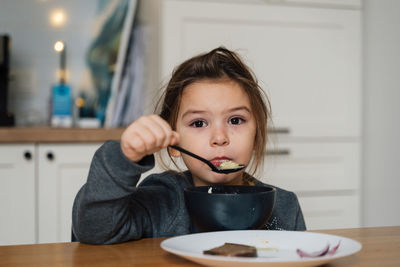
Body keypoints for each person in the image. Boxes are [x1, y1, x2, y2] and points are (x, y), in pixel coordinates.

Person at [72, 47, 306, 244]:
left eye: (235, 120)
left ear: (256, 135)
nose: (219, 137)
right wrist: (124, 157)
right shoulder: (162, 200)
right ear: (173, 142)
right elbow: (94, 229)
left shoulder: (284, 207)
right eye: (198, 123)